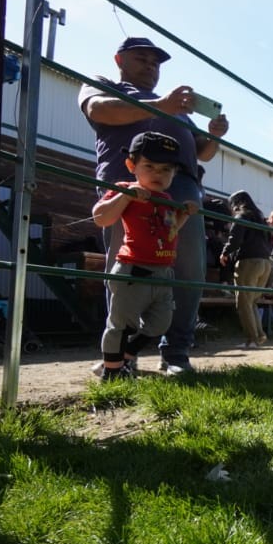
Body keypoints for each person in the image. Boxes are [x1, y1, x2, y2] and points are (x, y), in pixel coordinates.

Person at [79, 36, 229, 376]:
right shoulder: (102, 85)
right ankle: (119, 356)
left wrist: (215, 135)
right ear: (119, 60)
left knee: (189, 269)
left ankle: (175, 353)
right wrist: (162, 105)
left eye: (156, 62)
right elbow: (98, 109)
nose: (151, 66)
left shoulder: (177, 111)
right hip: (129, 188)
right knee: (124, 270)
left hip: (182, 189)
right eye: (142, 59)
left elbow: (202, 151)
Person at [90, 132, 192, 381]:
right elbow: (100, 217)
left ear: (174, 173)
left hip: (163, 273)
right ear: (131, 165)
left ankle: (119, 359)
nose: (158, 174)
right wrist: (127, 195)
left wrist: (185, 214)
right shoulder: (125, 189)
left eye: (166, 169)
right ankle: (112, 376)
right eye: (150, 166)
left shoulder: (167, 199)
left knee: (160, 324)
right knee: (121, 325)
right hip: (132, 271)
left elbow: (170, 233)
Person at [219, 190, 273, 349]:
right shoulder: (260, 219)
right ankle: (260, 336)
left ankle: (252, 340)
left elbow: (235, 239)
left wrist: (224, 252)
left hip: (249, 262)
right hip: (265, 263)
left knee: (243, 303)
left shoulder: (241, 216)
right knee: (252, 302)